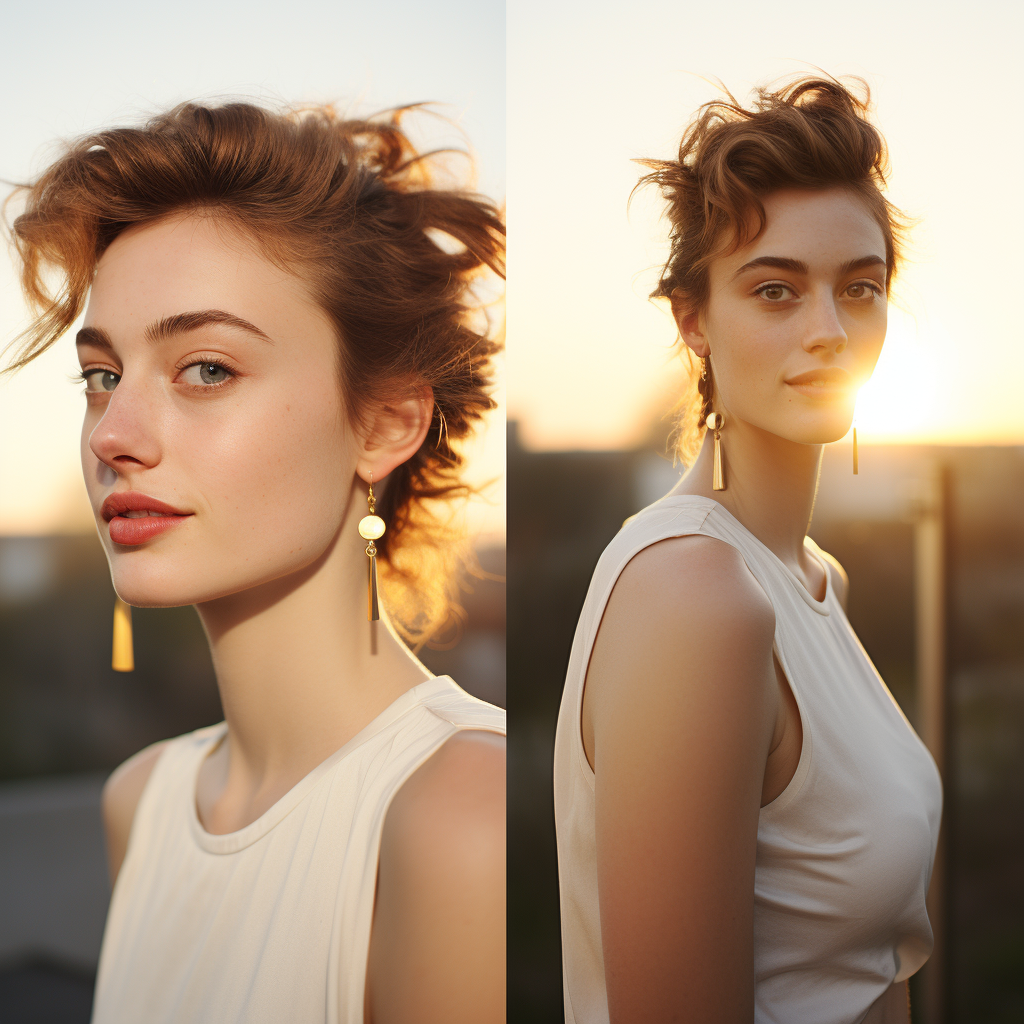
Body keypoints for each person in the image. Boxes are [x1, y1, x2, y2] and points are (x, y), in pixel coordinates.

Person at [2, 100, 506, 1024]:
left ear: (386, 420)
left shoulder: (462, 810)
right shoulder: (142, 803)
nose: (114, 435)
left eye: (206, 369)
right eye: (102, 375)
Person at [552, 77, 941, 1024]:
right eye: (776, 289)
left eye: (861, 288)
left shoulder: (809, 579)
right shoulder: (695, 594)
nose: (829, 332)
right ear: (693, 319)